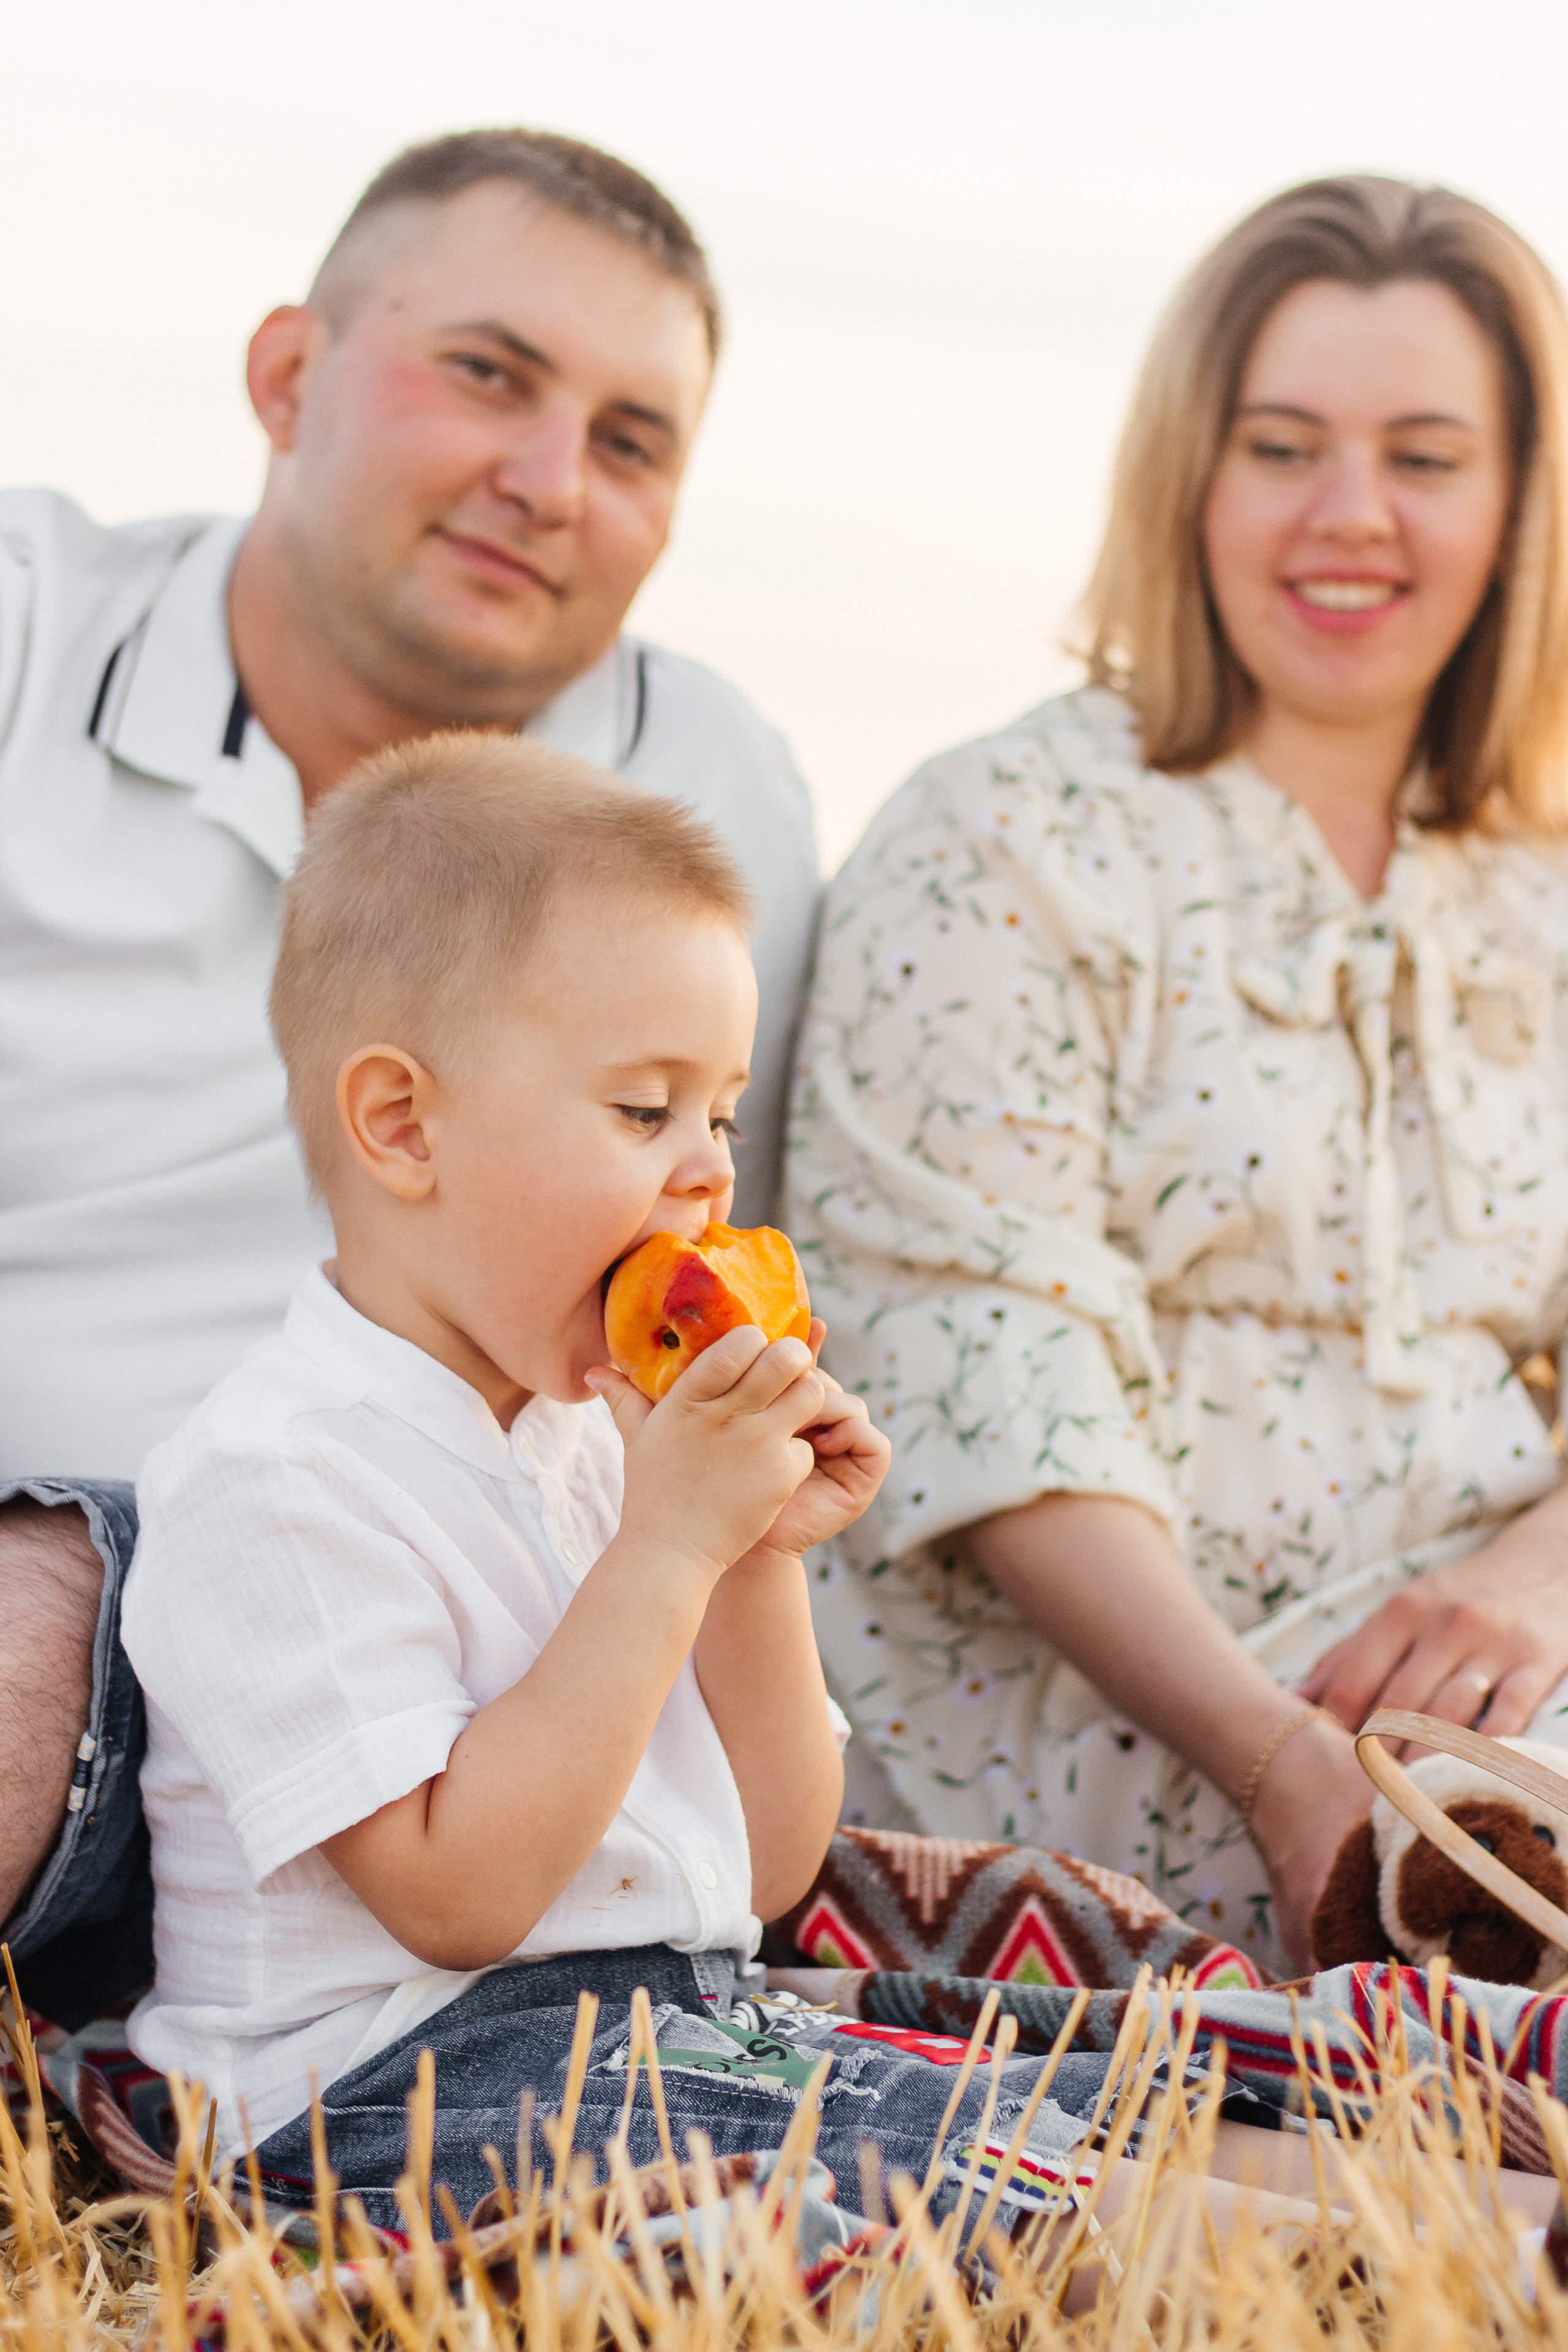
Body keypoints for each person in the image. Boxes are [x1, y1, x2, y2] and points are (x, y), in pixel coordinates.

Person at [0, 130, 819, 2019]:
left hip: (489, 1614)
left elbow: (699, 1257)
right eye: (488, 375)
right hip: (93, 1566)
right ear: (289, 376)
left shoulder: (710, 795)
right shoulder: (35, 628)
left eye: (632, 439)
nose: (547, 482)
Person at [117, 731, 1105, 2227]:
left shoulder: (600, 1440)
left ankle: (1431, 2239)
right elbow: (458, 1901)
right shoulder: (275, 1480)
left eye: (718, 1113)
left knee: (1024, 2104)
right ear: (403, 1125)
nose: (706, 1172)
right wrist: (662, 1553)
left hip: (668, 2027)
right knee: (909, 2173)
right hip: (378, 2092)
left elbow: (773, 1865)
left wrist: (751, 1553)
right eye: (644, 1112)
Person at [786, 174, 1568, 1977]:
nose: (1348, 515)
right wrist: (1288, 1760)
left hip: (1491, 1659)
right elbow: (979, 1371)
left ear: (1521, 499)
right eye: (1281, 444)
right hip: (1129, 1701)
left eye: (1428, 458)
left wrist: (1520, 1598)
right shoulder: (1006, 835)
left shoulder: (1539, 885)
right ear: (1187, 476)